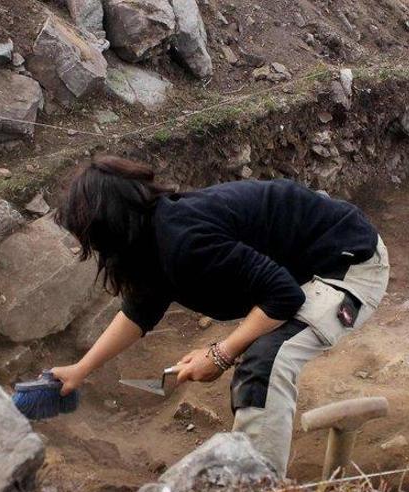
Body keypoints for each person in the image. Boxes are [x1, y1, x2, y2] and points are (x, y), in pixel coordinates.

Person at [51, 155, 390, 475]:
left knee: (267, 360)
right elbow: (138, 311)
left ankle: (257, 485)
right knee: (260, 349)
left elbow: (282, 296)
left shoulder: (184, 241)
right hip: (300, 263)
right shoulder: (150, 238)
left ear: (107, 226)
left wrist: (220, 354)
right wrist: (82, 369)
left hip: (348, 262)